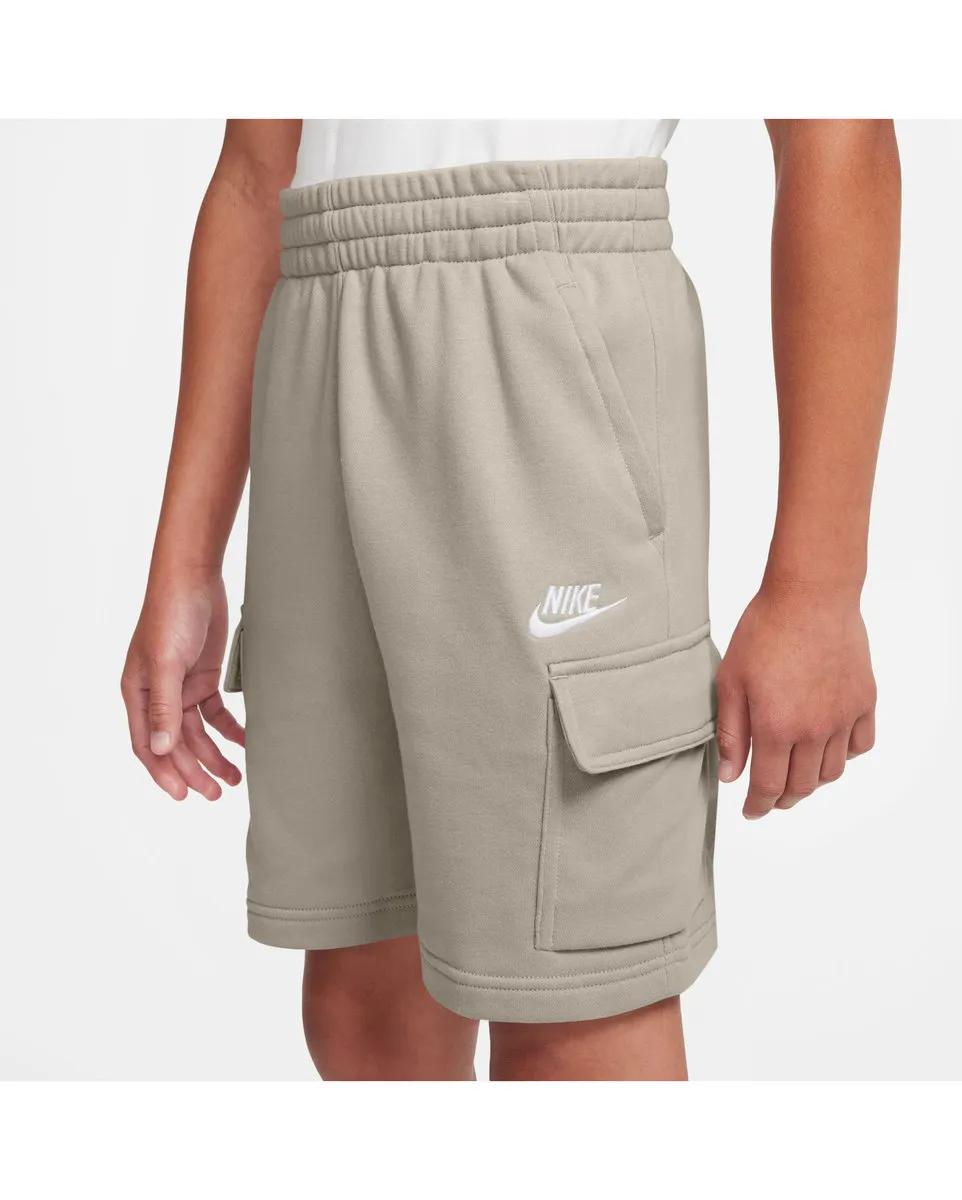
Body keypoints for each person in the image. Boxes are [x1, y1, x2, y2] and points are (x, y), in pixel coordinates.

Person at [121, 120, 900, 1081]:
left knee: (577, 1011)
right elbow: (252, 172)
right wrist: (185, 557)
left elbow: (838, 126)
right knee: (362, 999)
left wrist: (819, 589)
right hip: (316, 310)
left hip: (542, 307)